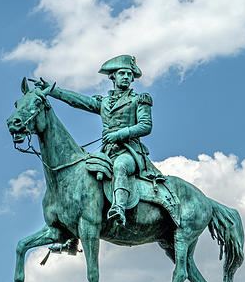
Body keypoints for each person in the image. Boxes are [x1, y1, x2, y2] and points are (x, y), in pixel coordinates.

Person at [43, 55, 164, 226]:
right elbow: (79, 101)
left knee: (120, 166)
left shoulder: (139, 100)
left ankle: (119, 208)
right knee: (82, 177)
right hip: (107, 152)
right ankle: (71, 226)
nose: (126, 77)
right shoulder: (104, 102)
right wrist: (53, 91)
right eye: (122, 73)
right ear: (112, 76)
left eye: (129, 74)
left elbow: (145, 126)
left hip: (130, 151)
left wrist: (119, 134)